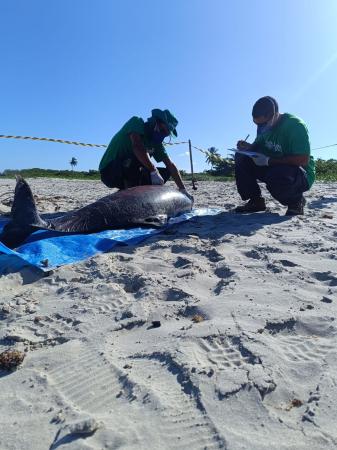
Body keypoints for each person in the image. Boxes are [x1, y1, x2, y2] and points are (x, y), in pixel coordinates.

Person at [234, 96, 315, 215]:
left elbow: (303, 160)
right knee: (241, 158)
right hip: (273, 165)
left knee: (276, 175)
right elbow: (258, 147)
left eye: (263, 124)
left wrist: (268, 161)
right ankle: (256, 201)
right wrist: (248, 147)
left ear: (275, 114)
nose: (260, 128)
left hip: (300, 173)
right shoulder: (262, 128)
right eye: (257, 125)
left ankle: (296, 201)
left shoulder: (295, 125)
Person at [99, 108, 192, 200]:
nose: (163, 135)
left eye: (166, 135)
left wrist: (182, 189)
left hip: (129, 172)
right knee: (136, 158)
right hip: (109, 171)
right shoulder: (136, 122)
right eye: (163, 130)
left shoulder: (156, 144)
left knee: (166, 172)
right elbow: (137, 147)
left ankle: (133, 192)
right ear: (155, 122)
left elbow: (170, 165)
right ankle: (130, 196)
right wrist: (153, 170)